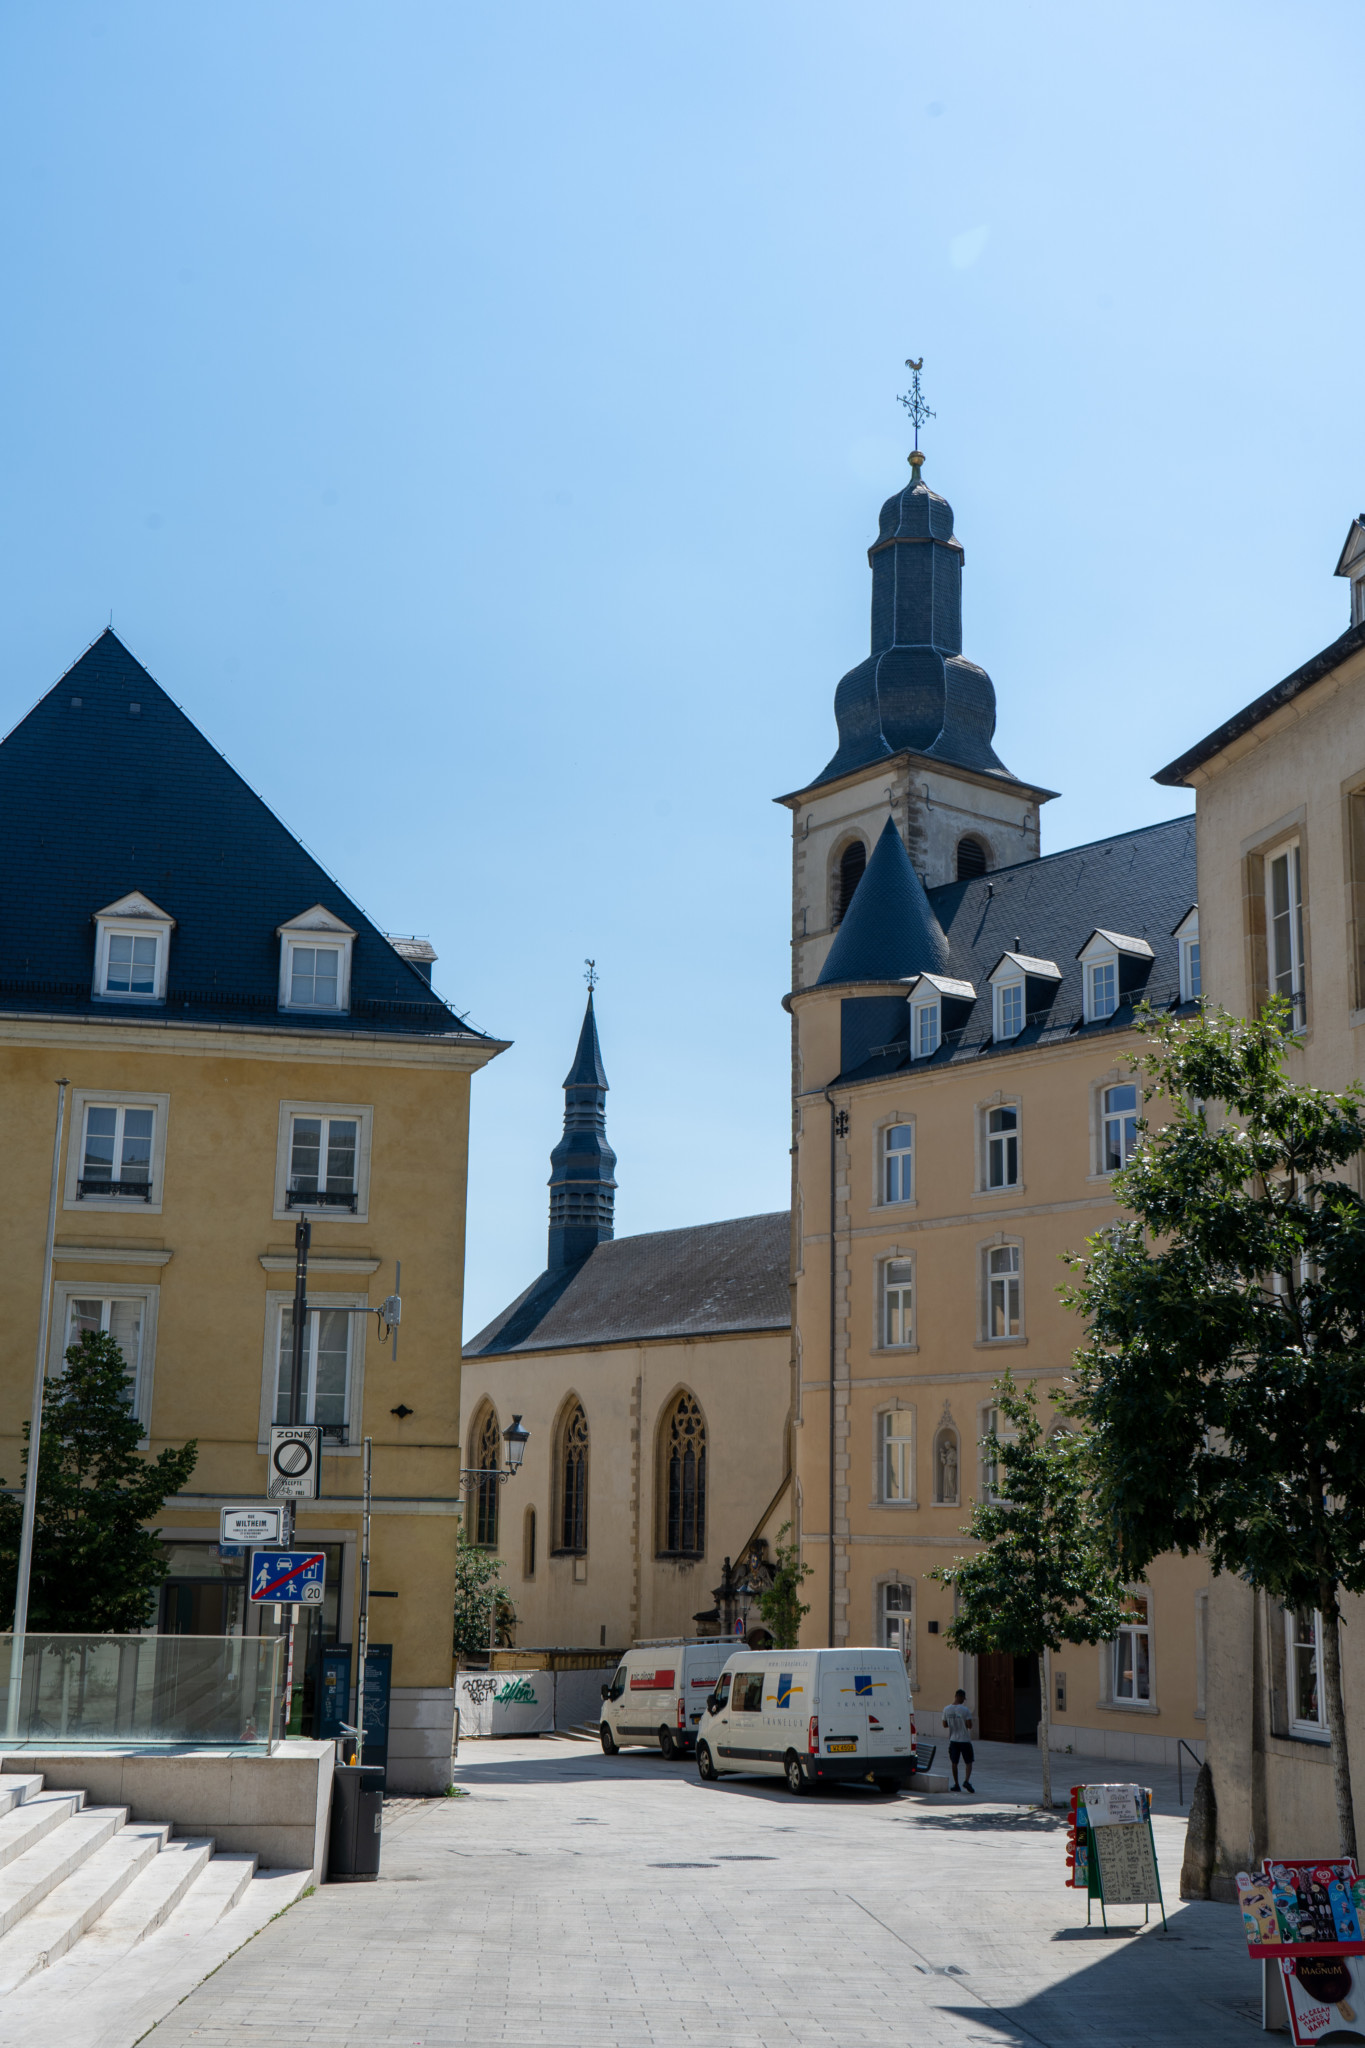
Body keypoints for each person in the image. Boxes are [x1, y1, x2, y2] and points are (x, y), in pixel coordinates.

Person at [942, 1689, 975, 1792]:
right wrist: (963, 1723)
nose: (963, 1701)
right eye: (963, 1699)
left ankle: (956, 1784)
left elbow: (944, 1725)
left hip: (953, 1740)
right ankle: (966, 1780)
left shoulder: (946, 1709)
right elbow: (970, 1726)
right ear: (960, 1697)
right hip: (964, 1740)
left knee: (954, 1762)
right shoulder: (965, 1710)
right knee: (968, 1762)